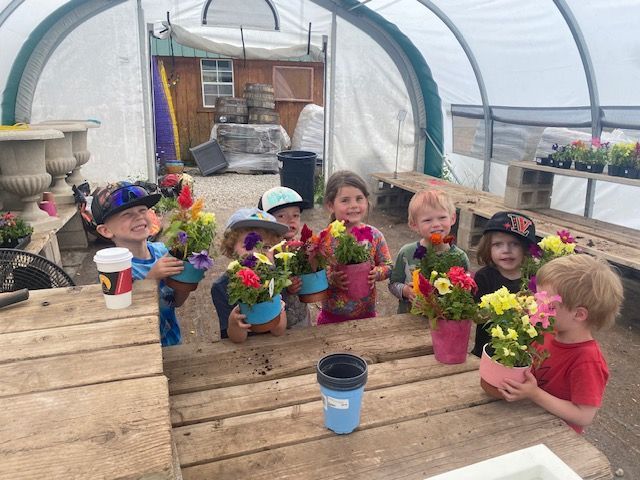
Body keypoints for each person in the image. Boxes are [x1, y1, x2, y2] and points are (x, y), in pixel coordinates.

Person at [500, 254, 624, 433]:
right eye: (538, 297)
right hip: (526, 421)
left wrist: (534, 394)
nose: (536, 305)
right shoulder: (548, 332)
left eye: (548, 304)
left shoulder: (587, 360)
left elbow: (584, 416)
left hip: (557, 437)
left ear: (579, 314)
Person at [92, 181, 186, 347]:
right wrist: (151, 279)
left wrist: (187, 280)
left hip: (172, 343)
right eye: (127, 214)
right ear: (106, 231)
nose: (139, 217)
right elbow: (122, 317)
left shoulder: (161, 251)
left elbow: (175, 301)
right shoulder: (112, 269)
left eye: (142, 210)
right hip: (137, 348)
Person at [318, 170, 392, 324]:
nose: (354, 205)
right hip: (332, 316)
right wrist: (331, 278)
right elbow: (315, 272)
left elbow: (388, 265)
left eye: (359, 199)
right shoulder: (324, 238)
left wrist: (377, 273)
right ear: (331, 205)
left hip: (366, 315)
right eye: (345, 200)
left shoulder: (374, 235)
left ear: (366, 201)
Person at [211, 207, 289, 343]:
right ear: (231, 247)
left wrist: (278, 309)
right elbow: (237, 339)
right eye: (248, 245)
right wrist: (234, 322)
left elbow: (279, 331)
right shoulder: (222, 287)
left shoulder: (274, 280)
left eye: (266, 247)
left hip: (274, 347)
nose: (257, 253)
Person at [389, 189, 470, 314]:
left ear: (453, 218)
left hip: (445, 321)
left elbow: (466, 290)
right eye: (427, 220)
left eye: (442, 217)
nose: (436, 224)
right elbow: (393, 283)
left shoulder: (459, 257)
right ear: (414, 224)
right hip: (409, 320)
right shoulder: (407, 253)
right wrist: (405, 291)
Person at [470, 211, 537, 357]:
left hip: (522, 357)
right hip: (486, 354)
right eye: (498, 244)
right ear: (488, 248)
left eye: (514, 244)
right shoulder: (484, 277)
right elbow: (476, 315)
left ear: (526, 249)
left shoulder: (534, 278)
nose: (506, 250)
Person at [259, 186, 311, 329]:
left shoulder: (299, 247)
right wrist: (286, 288)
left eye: (296, 215)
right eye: (281, 216)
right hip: (274, 324)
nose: (290, 220)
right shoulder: (264, 253)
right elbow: (262, 289)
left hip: (301, 317)